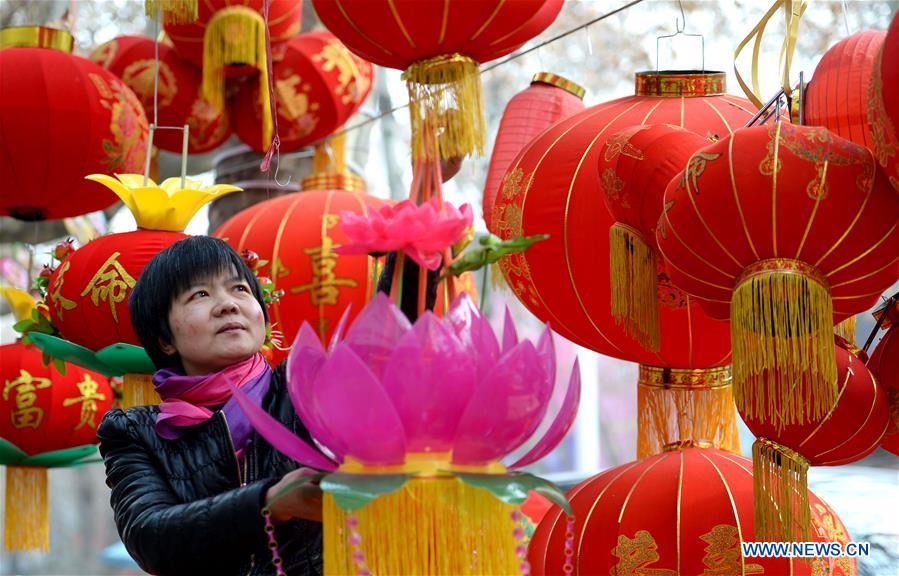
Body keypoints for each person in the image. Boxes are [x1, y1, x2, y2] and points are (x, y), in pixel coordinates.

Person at [97, 236, 324, 576]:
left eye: (240, 289)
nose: (228, 304)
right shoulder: (135, 432)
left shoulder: (306, 385)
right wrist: (266, 504)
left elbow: (393, 336)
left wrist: (410, 245)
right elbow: (149, 536)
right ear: (165, 340)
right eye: (199, 294)